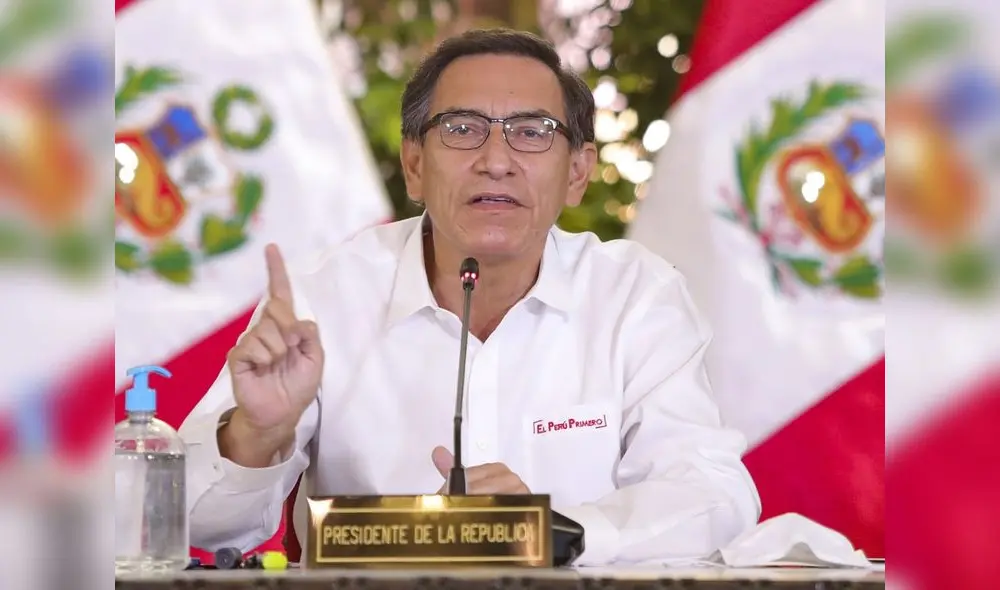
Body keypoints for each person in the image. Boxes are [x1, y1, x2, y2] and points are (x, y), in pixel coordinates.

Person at [180, 28, 760, 565]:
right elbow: (190, 525)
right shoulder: (323, 298)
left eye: (532, 132)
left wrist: (550, 531)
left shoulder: (634, 296)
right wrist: (257, 434)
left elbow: (713, 496)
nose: (496, 162)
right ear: (414, 166)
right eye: (462, 129)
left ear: (578, 172)